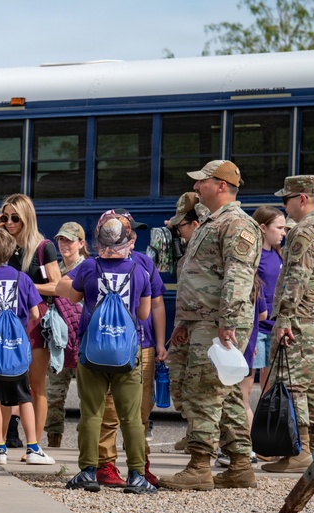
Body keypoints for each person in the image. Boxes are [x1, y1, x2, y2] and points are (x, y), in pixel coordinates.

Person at [160, 160, 260, 491]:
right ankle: (241, 465)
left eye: (202, 182)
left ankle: (199, 466)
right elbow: (198, 276)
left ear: (220, 185)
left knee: (203, 391)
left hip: (218, 323)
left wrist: (229, 322)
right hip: (201, 321)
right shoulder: (209, 223)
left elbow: (238, 274)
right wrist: (184, 322)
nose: (196, 187)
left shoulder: (236, 224)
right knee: (227, 393)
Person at [57, 211, 155, 494]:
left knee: (91, 414)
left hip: (92, 352)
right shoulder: (140, 270)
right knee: (131, 417)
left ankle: (88, 472)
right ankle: (137, 475)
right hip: (127, 353)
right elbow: (144, 313)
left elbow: (73, 297)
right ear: (128, 240)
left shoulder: (88, 267)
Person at [0, 194, 60, 451]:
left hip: (32, 319)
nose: (9, 222)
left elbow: (57, 285)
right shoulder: (1, 245)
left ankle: (35, 444)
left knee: (34, 384)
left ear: (26, 218)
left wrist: (24, 287)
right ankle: (0, 443)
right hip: (3, 325)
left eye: (14, 218)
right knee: (5, 382)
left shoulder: (43, 247)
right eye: (5, 217)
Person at [0, 228, 52, 466]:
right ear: (13, 250)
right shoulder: (22, 279)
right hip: (16, 350)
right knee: (24, 397)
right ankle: (33, 447)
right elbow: (35, 312)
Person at [262, 176, 314, 473]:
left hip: (303, 316)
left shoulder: (305, 229)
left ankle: (300, 450)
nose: (284, 206)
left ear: (302, 198)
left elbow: (297, 277)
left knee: (292, 384)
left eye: (286, 199)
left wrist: (285, 317)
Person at [94, 210, 167, 488]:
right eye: (129, 230)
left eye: (134, 231)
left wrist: (160, 343)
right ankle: (106, 465)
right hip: (111, 347)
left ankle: (140, 464)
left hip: (143, 345)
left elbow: (157, 304)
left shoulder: (145, 263)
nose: (134, 235)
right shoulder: (98, 263)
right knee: (110, 409)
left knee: (142, 410)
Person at [163, 192, 207, 453]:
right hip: (185, 323)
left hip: (203, 324)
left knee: (201, 384)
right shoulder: (188, 251)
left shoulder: (207, 249)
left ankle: (208, 441)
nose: (178, 232)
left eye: (182, 226)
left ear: (196, 225)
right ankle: (192, 430)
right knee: (178, 378)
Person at [45, 222, 88, 448]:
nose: (64, 245)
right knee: (54, 394)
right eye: (61, 240)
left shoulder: (87, 267)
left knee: (87, 395)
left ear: (81, 243)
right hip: (59, 340)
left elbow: (58, 289)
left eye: (69, 240)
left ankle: (85, 444)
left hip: (81, 338)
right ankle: (54, 441)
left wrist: (29, 285)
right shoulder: (55, 269)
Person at [251, 206, 285, 402]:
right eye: (279, 227)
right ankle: (244, 432)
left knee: (268, 394)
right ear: (263, 227)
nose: (283, 233)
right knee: (245, 390)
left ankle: (261, 431)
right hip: (258, 330)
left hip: (275, 329)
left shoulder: (279, 255)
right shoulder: (254, 257)